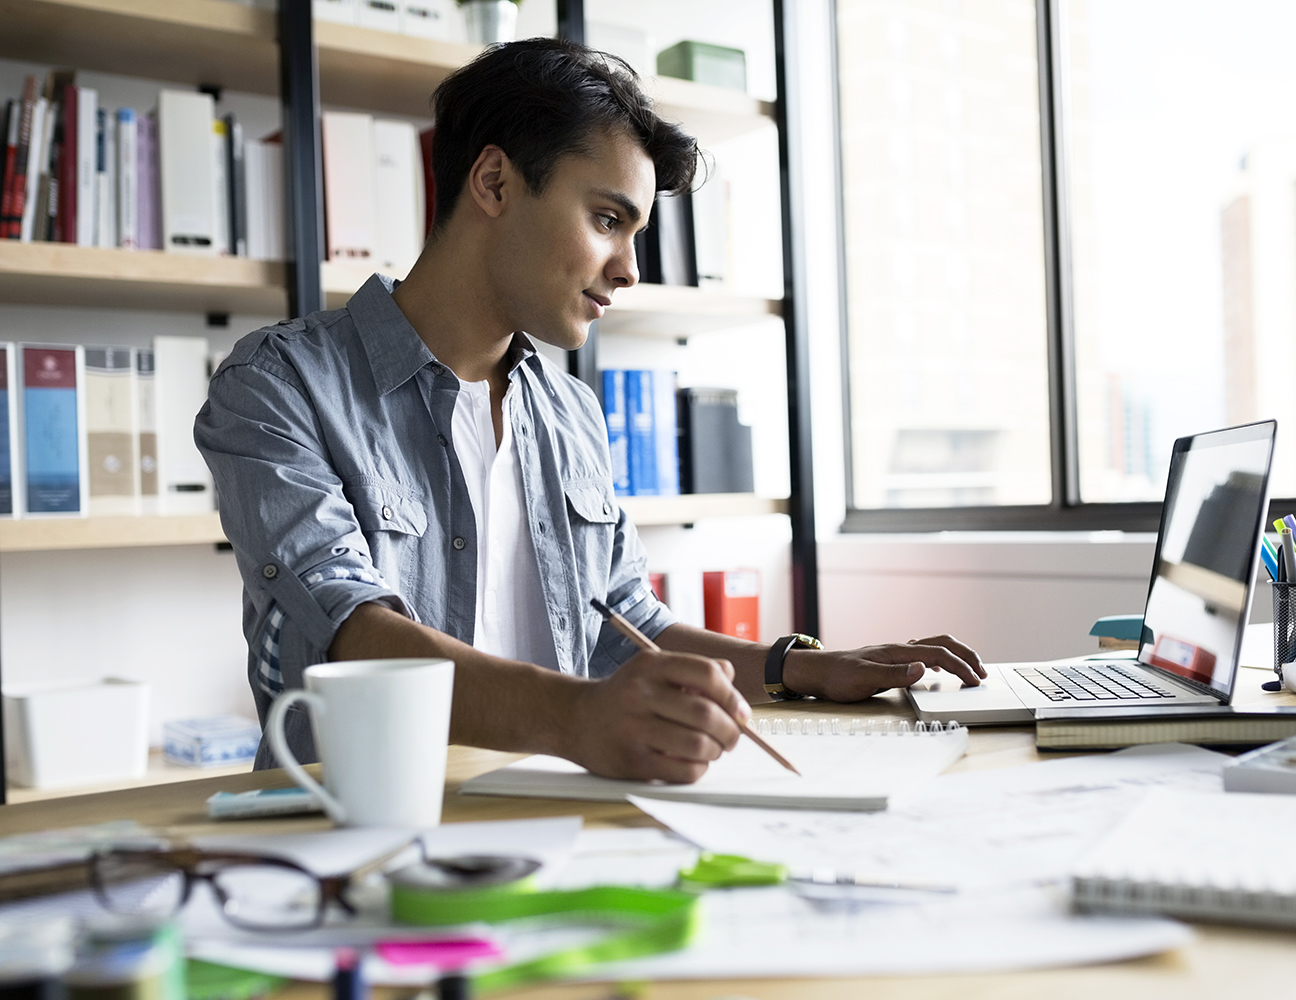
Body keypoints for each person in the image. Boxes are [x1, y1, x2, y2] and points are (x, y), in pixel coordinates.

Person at [196, 38, 984, 782]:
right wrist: (580, 719)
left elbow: (623, 623)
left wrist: (798, 666)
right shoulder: (278, 383)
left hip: (561, 814)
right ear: (494, 182)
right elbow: (356, 636)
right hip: (350, 832)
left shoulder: (569, 410)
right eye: (608, 220)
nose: (631, 270)